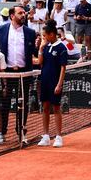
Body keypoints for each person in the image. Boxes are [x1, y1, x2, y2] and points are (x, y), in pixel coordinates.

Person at [0, 5, 36, 142]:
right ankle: (2, 132)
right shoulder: (1, 30)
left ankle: (21, 131)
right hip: (7, 74)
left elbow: (34, 53)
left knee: (23, 104)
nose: (23, 15)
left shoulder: (31, 32)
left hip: (24, 74)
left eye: (24, 13)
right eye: (20, 13)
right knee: (5, 103)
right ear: (12, 16)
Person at [37, 19, 67, 147]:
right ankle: (45, 136)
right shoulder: (46, 46)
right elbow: (40, 62)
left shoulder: (61, 48)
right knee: (45, 108)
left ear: (52, 34)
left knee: (56, 108)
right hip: (44, 81)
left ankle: (59, 136)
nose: (44, 38)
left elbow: (63, 67)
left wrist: (59, 84)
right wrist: (41, 48)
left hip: (55, 82)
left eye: (45, 36)